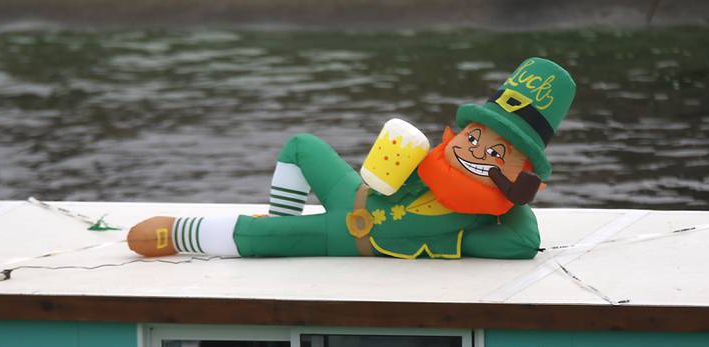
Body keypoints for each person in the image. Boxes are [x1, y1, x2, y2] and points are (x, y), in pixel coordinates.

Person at [127, 57, 576, 262]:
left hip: (348, 235)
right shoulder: (431, 158)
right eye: (475, 136)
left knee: (258, 237)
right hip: (355, 191)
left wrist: (514, 196)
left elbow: (521, 245)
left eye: (497, 151)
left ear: (520, 169)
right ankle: (282, 217)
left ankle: (181, 234)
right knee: (301, 145)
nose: (477, 150)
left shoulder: (478, 227)